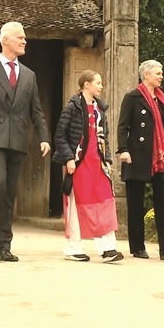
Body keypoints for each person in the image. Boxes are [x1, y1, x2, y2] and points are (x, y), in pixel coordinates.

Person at [0, 21, 51, 263]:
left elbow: (36, 110)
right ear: (5, 40)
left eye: (25, 38)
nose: (25, 41)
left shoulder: (29, 75)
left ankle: (5, 244)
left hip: (18, 139)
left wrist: (44, 137)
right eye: (20, 37)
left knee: (10, 192)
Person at [52, 70, 124, 263]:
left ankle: (108, 248)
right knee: (77, 205)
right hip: (78, 164)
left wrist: (107, 158)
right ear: (86, 85)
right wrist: (68, 159)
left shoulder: (101, 110)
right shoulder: (72, 107)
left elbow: (105, 138)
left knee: (105, 201)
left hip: (97, 163)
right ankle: (73, 248)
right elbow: (60, 135)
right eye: (98, 83)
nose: (101, 86)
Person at [117, 59, 164, 260]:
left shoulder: (162, 99)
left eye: (161, 73)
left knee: (162, 198)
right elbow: (123, 127)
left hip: (161, 157)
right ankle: (138, 247)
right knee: (136, 203)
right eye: (158, 73)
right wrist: (124, 149)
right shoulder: (133, 97)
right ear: (146, 75)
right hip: (137, 155)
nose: (161, 76)